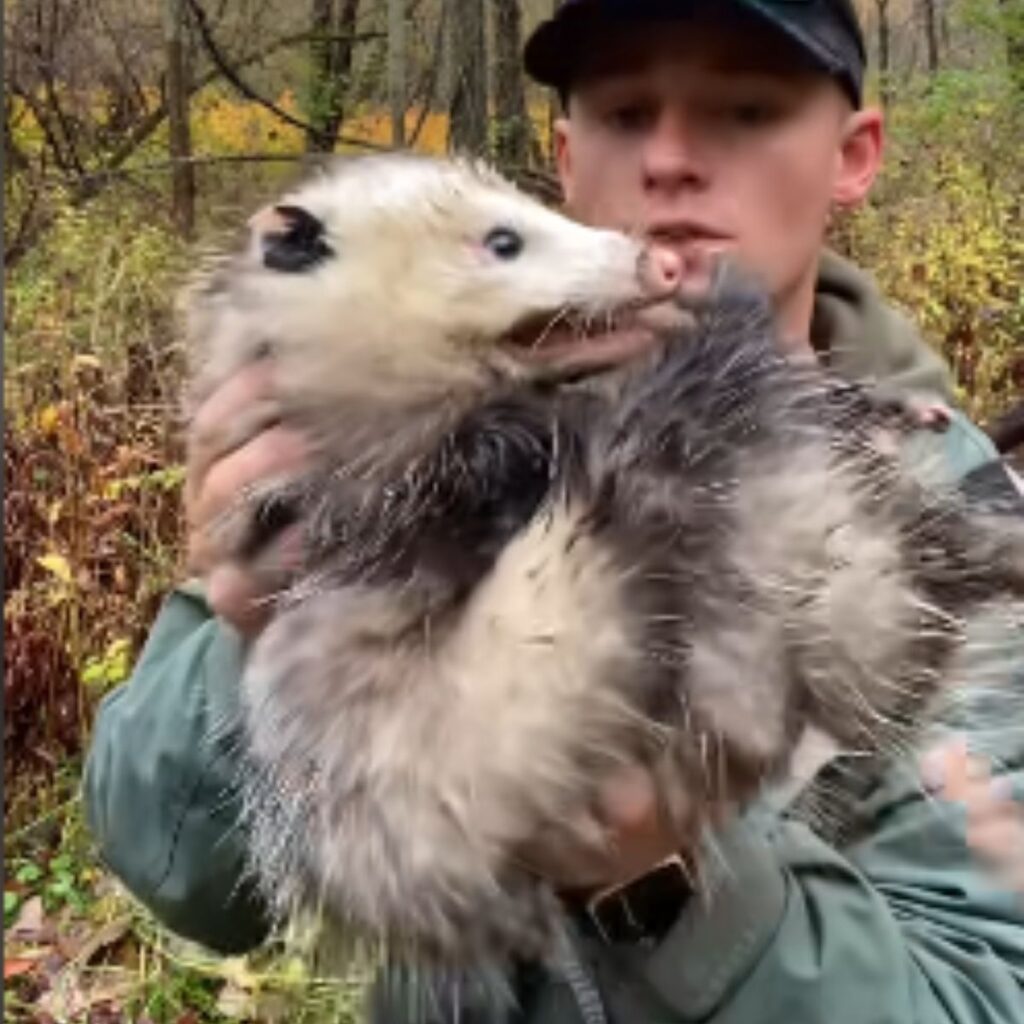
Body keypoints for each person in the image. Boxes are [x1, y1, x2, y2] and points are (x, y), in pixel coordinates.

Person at [83, 0, 1024, 1019]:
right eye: (625, 115)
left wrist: (660, 884)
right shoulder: (390, 427)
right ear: (564, 158)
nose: (669, 161)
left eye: (745, 111)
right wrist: (254, 626)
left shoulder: (957, 523)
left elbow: (977, 991)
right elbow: (183, 874)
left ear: (853, 155)